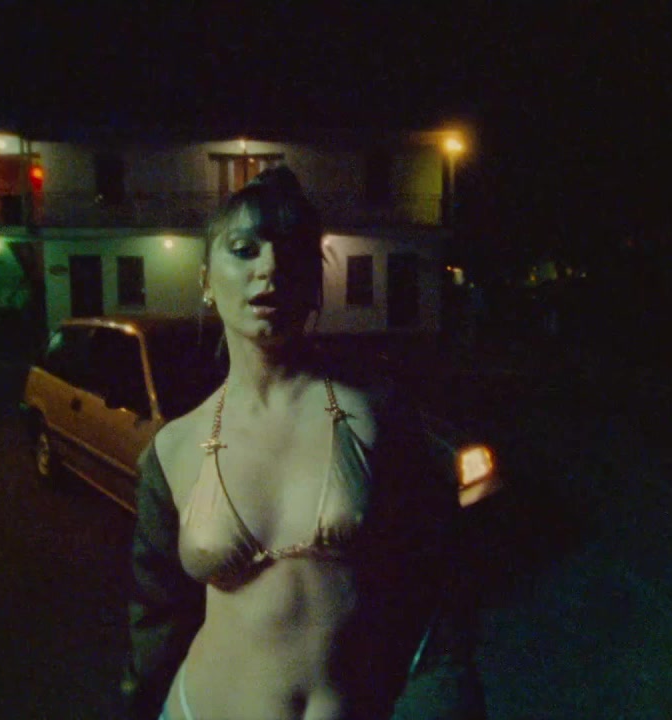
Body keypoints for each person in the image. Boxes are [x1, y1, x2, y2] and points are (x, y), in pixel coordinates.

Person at [119, 166, 486, 720]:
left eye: (291, 253)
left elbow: (437, 577)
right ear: (206, 280)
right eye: (244, 249)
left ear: (313, 282)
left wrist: (439, 696)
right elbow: (157, 617)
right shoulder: (173, 448)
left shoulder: (374, 414)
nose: (269, 267)